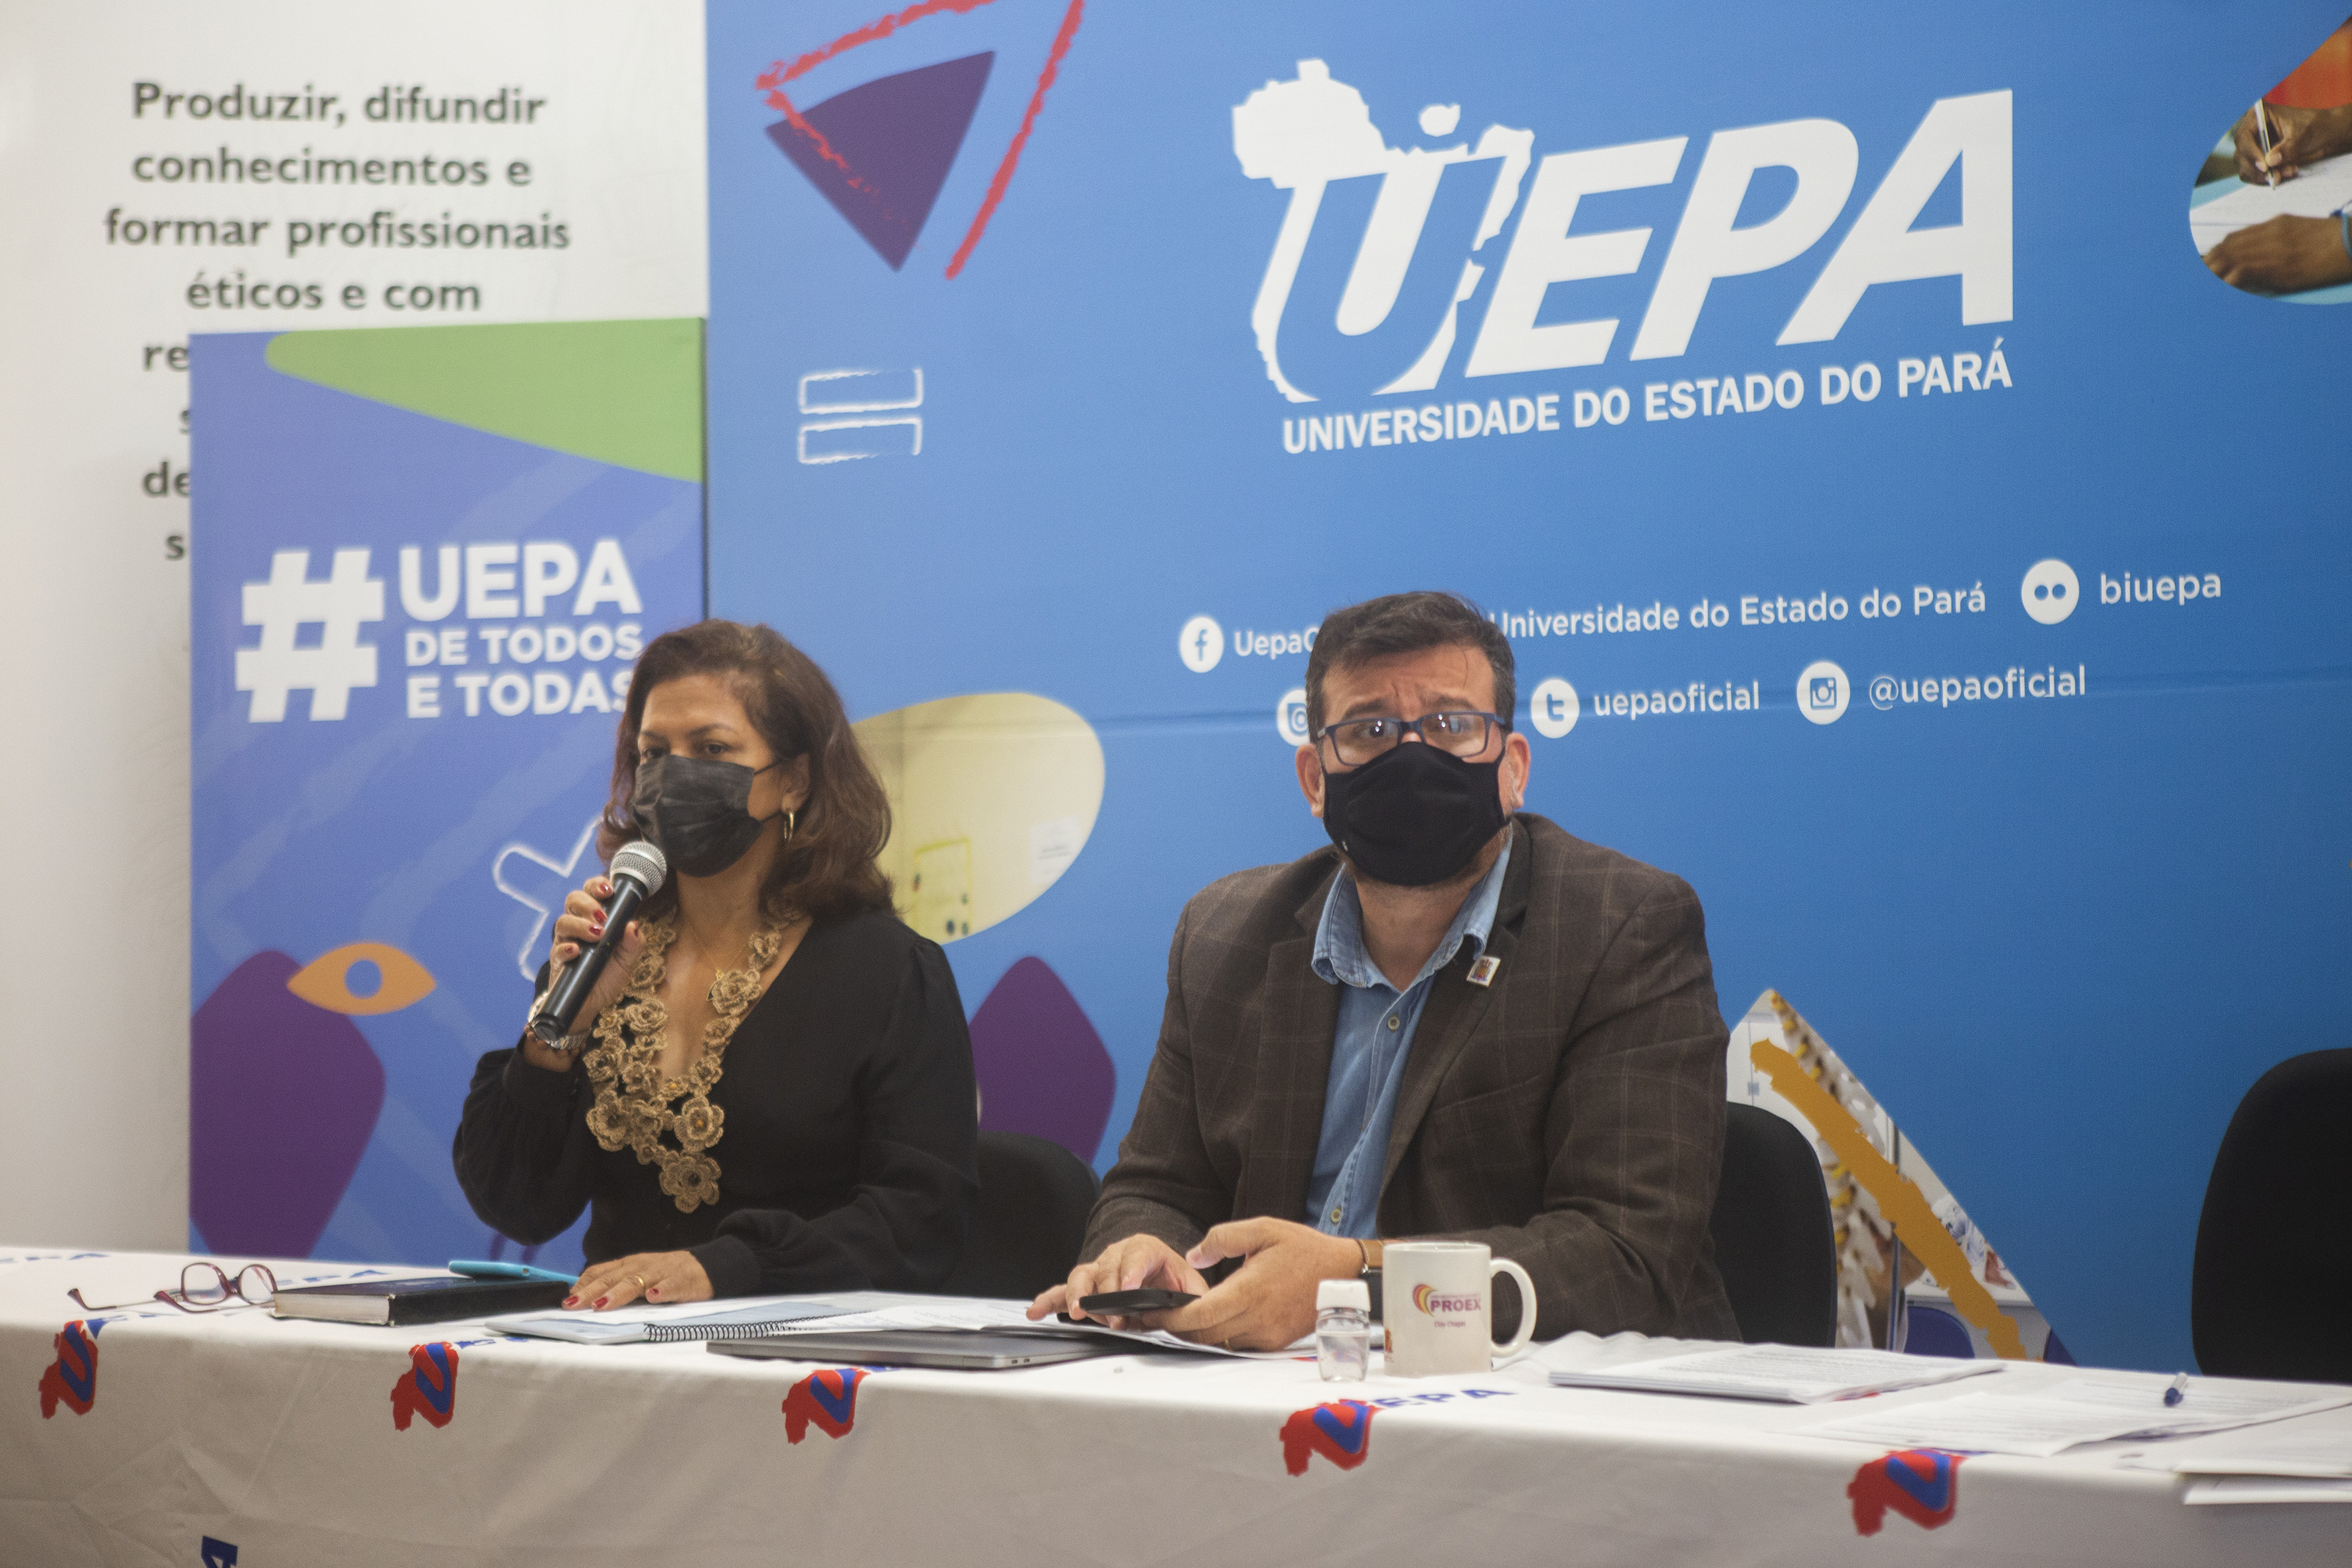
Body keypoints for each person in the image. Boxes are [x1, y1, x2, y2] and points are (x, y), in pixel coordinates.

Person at [1031, 591, 1738, 1350]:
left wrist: (1353, 1284)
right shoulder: (1222, 935)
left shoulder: (1620, 926)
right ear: (1314, 778)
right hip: (1263, 1387)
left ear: (1513, 768)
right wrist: (1142, 1251)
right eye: (1369, 731)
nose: (1412, 756)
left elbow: (1625, 1254)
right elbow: (1154, 1188)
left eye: (1452, 725)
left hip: (1537, 1394)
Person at [454, 620, 977, 1310]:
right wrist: (559, 1034)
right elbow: (516, 1205)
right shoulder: (607, 947)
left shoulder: (887, 971)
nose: (674, 776)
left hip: (801, 1348)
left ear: (793, 781)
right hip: (611, 1344)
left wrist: (728, 1266)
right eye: (653, 753)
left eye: (711, 749)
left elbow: (922, 1223)